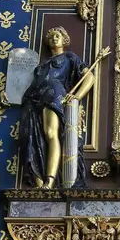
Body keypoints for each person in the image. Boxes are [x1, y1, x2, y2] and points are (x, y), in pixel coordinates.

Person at [17, 27, 95, 189]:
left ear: (64, 40)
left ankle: (50, 180)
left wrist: (77, 96)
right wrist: (10, 97)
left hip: (54, 95)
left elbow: (89, 77)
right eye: (51, 36)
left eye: (57, 35)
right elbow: (30, 86)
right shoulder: (43, 64)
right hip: (35, 99)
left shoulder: (69, 57)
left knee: (51, 133)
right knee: (34, 137)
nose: (54, 38)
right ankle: (39, 177)